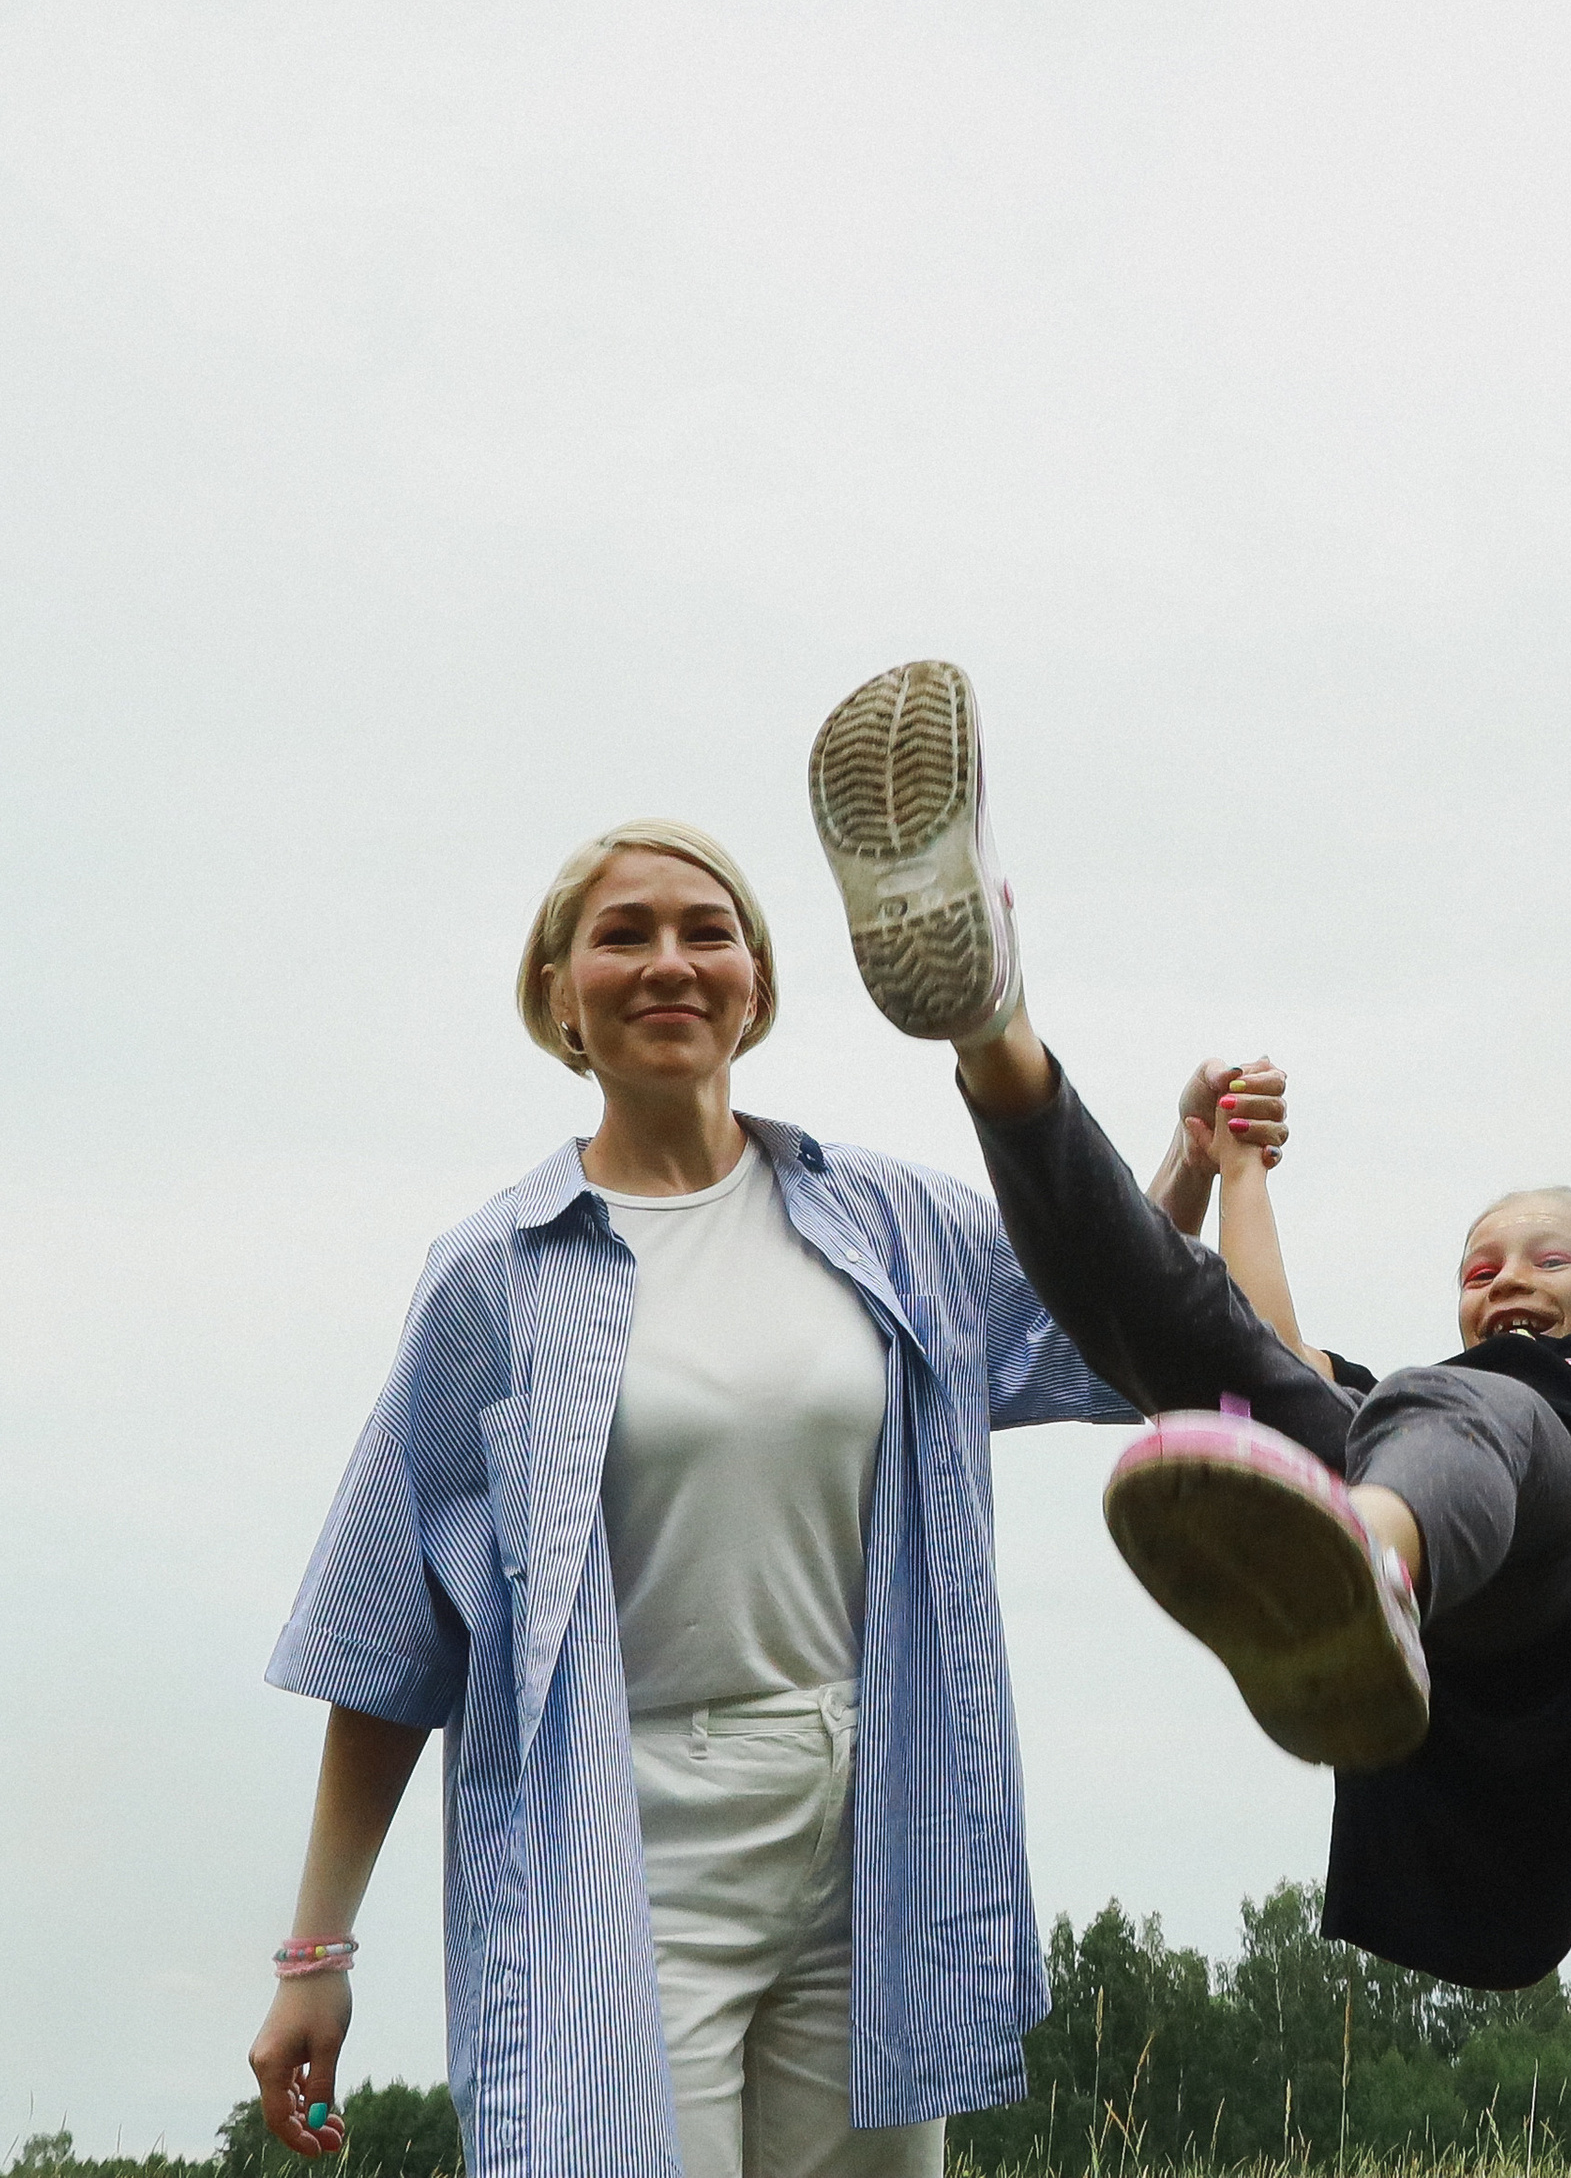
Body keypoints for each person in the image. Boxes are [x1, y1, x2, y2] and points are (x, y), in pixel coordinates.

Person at [246, 817, 1287, 2178]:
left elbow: (1096, 1332)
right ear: (558, 993)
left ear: (760, 985)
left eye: (707, 931)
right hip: (624, 1838)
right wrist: (317, 1948)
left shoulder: (891, 1221)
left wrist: (1189, 1169)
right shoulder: (495, 1278)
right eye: (623, 935)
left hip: (876, 1812)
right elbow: (394, 1635)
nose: (669, 962)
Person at [803, 659, 1571, 1989]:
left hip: (1534, 1614)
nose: (1507, 1280)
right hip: (1406, 1536)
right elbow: (1263, 1348)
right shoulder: (1418, 1404)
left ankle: (1370, 1565)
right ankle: (991, 1031)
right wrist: (1234, 1164)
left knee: (1472, 1406)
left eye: (1547, 1256)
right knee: (1205, 1361)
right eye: (1481, 1264)